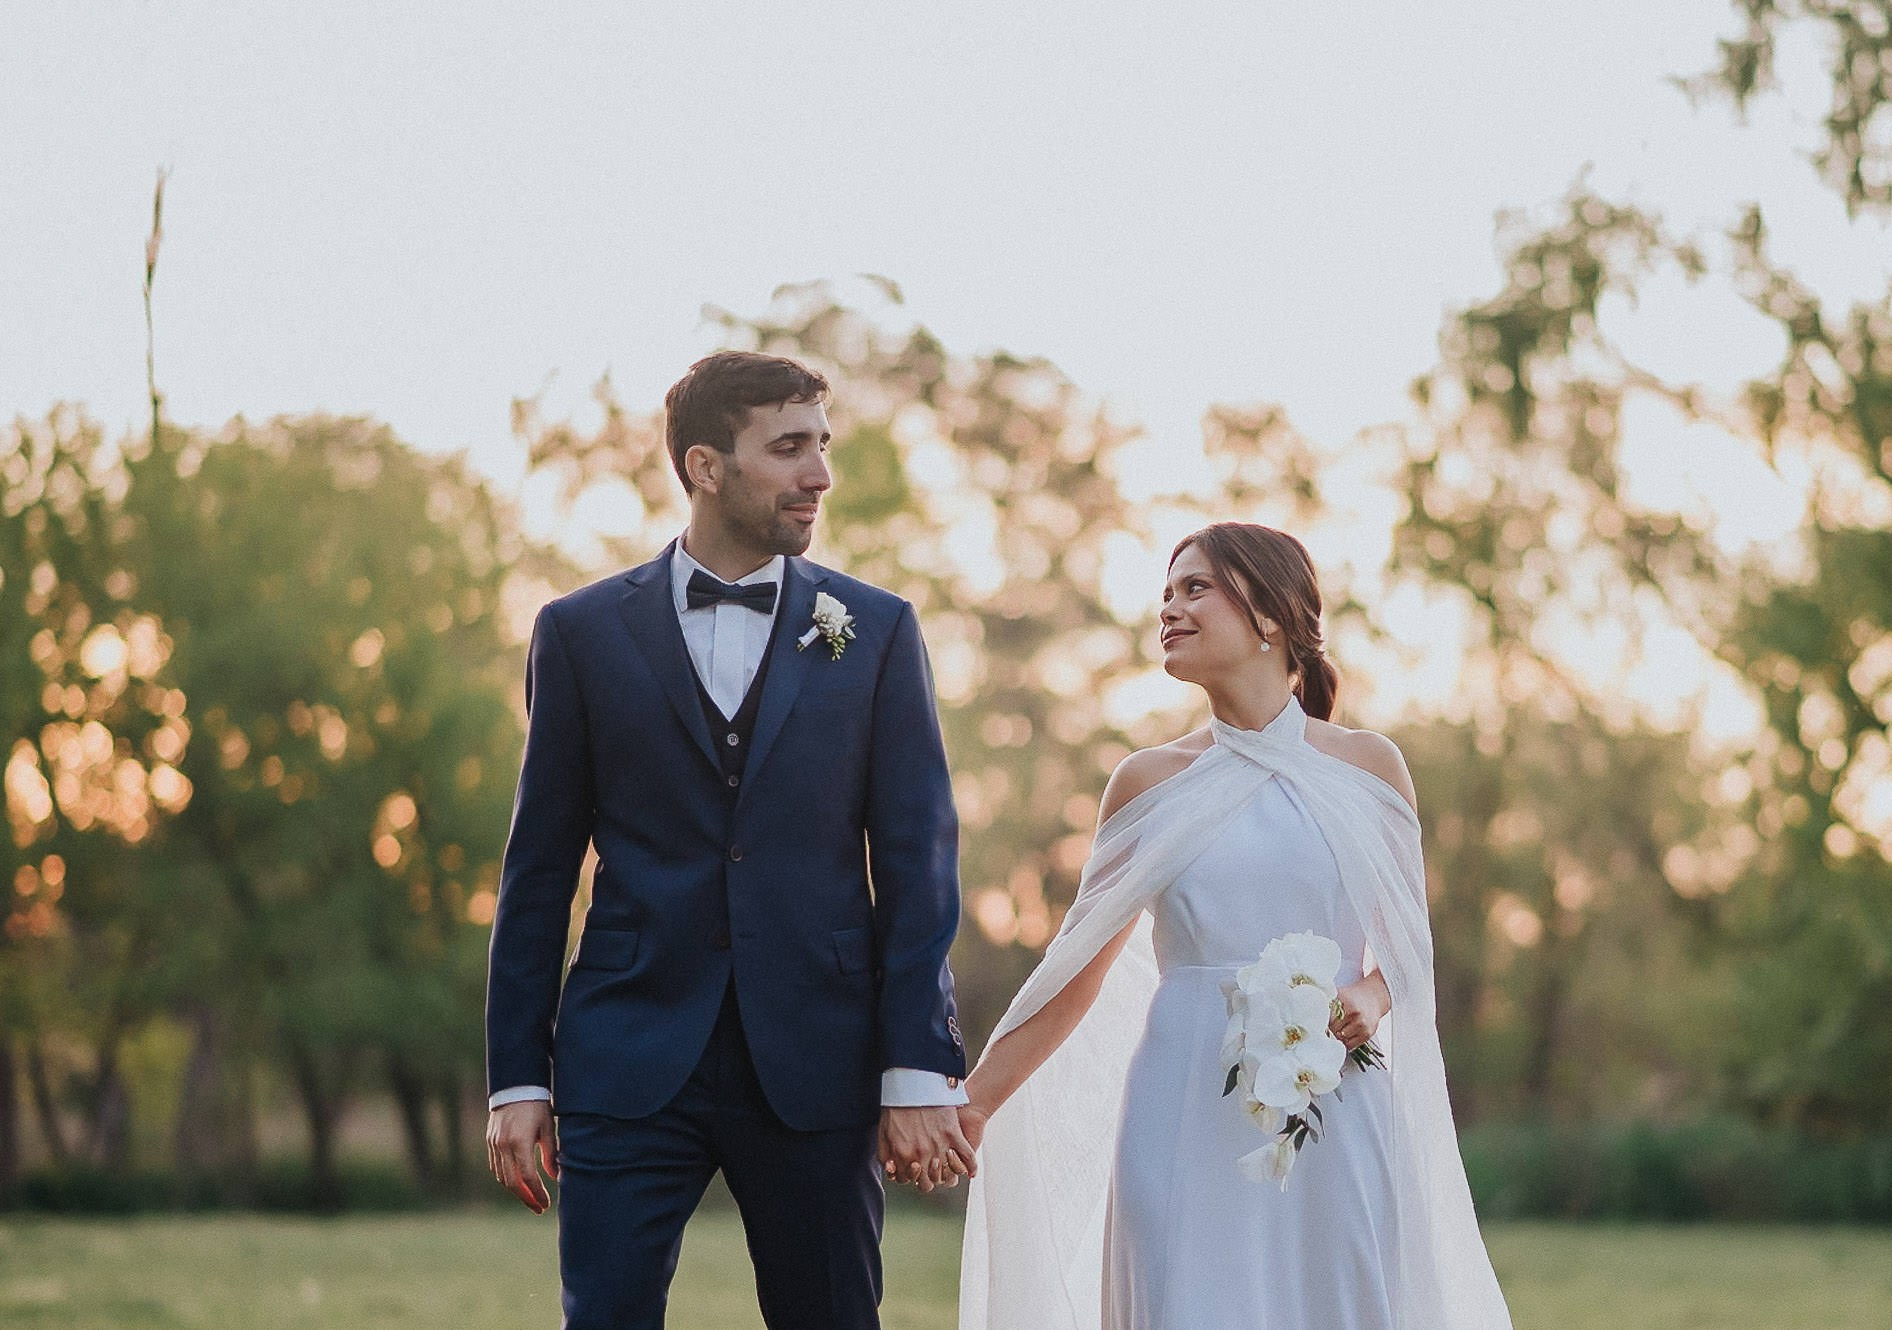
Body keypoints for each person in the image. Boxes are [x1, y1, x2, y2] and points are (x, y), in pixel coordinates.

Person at [484, 350, 975, 1330]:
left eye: (821, 446)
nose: (819, 475)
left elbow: (917, 858)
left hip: (816, 1056)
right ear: (705, 465)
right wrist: (517, 1075)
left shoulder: (874, 630)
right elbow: (537, 871)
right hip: (626, 1053)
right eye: (789, 448)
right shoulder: (579, 633)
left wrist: (916, 1064)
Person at [956, 522, 1512, 1329]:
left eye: (1195, 589)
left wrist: (1370, 994)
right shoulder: (1145, 782)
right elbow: (1074, 969)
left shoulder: (1369, 768)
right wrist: (972, 1105)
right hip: (1181, 1106)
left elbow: (1406, 951)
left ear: (1270, 617)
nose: (1170, 610)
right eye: (1166, 593)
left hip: (1331, 1103)